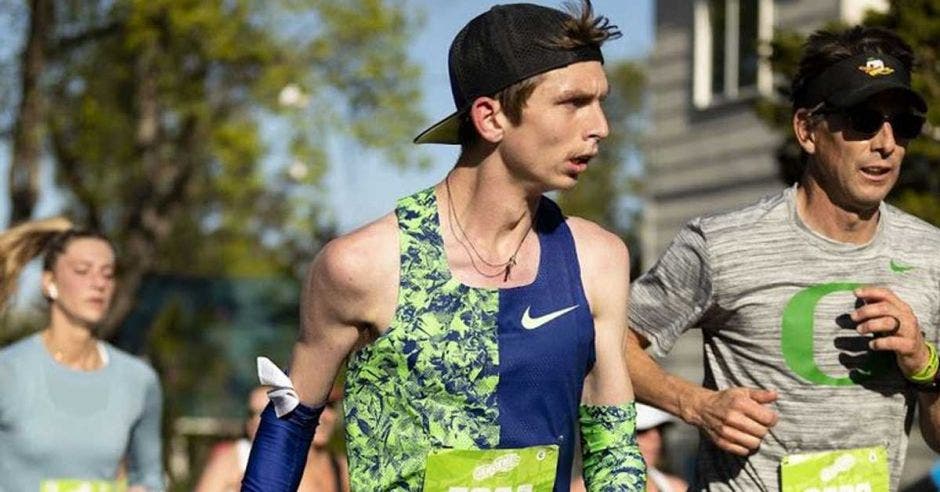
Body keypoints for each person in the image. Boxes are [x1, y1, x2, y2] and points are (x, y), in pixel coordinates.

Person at [242, 1, 646, 491]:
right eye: (573, 102)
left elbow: (614, 454)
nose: (600, 126)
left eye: (601, 101)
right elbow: (286, 430)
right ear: (490, 118)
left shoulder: (597, 260)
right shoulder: (362, 265)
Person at [624, 25, 939, 491]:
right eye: (863, 121)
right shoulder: (722, 242)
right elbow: (608, 342)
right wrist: (696, 405)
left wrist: (924, 363)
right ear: (807, 130)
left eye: (903, 124)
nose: (886, 143)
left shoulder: (929, 253)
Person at [0, 217, 164, 492]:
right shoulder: (8, 372)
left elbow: (149, 476)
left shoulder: (138, 380)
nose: (98, 283)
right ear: (49, 282)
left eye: (108, 273)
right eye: (82, 270)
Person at [195, 386, 348, 492]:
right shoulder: (240, 458)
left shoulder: (341, 466)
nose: (325, 416)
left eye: (331, 406)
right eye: (318, 406)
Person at [571, 403, 689, 492]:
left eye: (660, 430)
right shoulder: (579, 490)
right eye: (642, 431)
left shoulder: (677, 488)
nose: (655, 440)